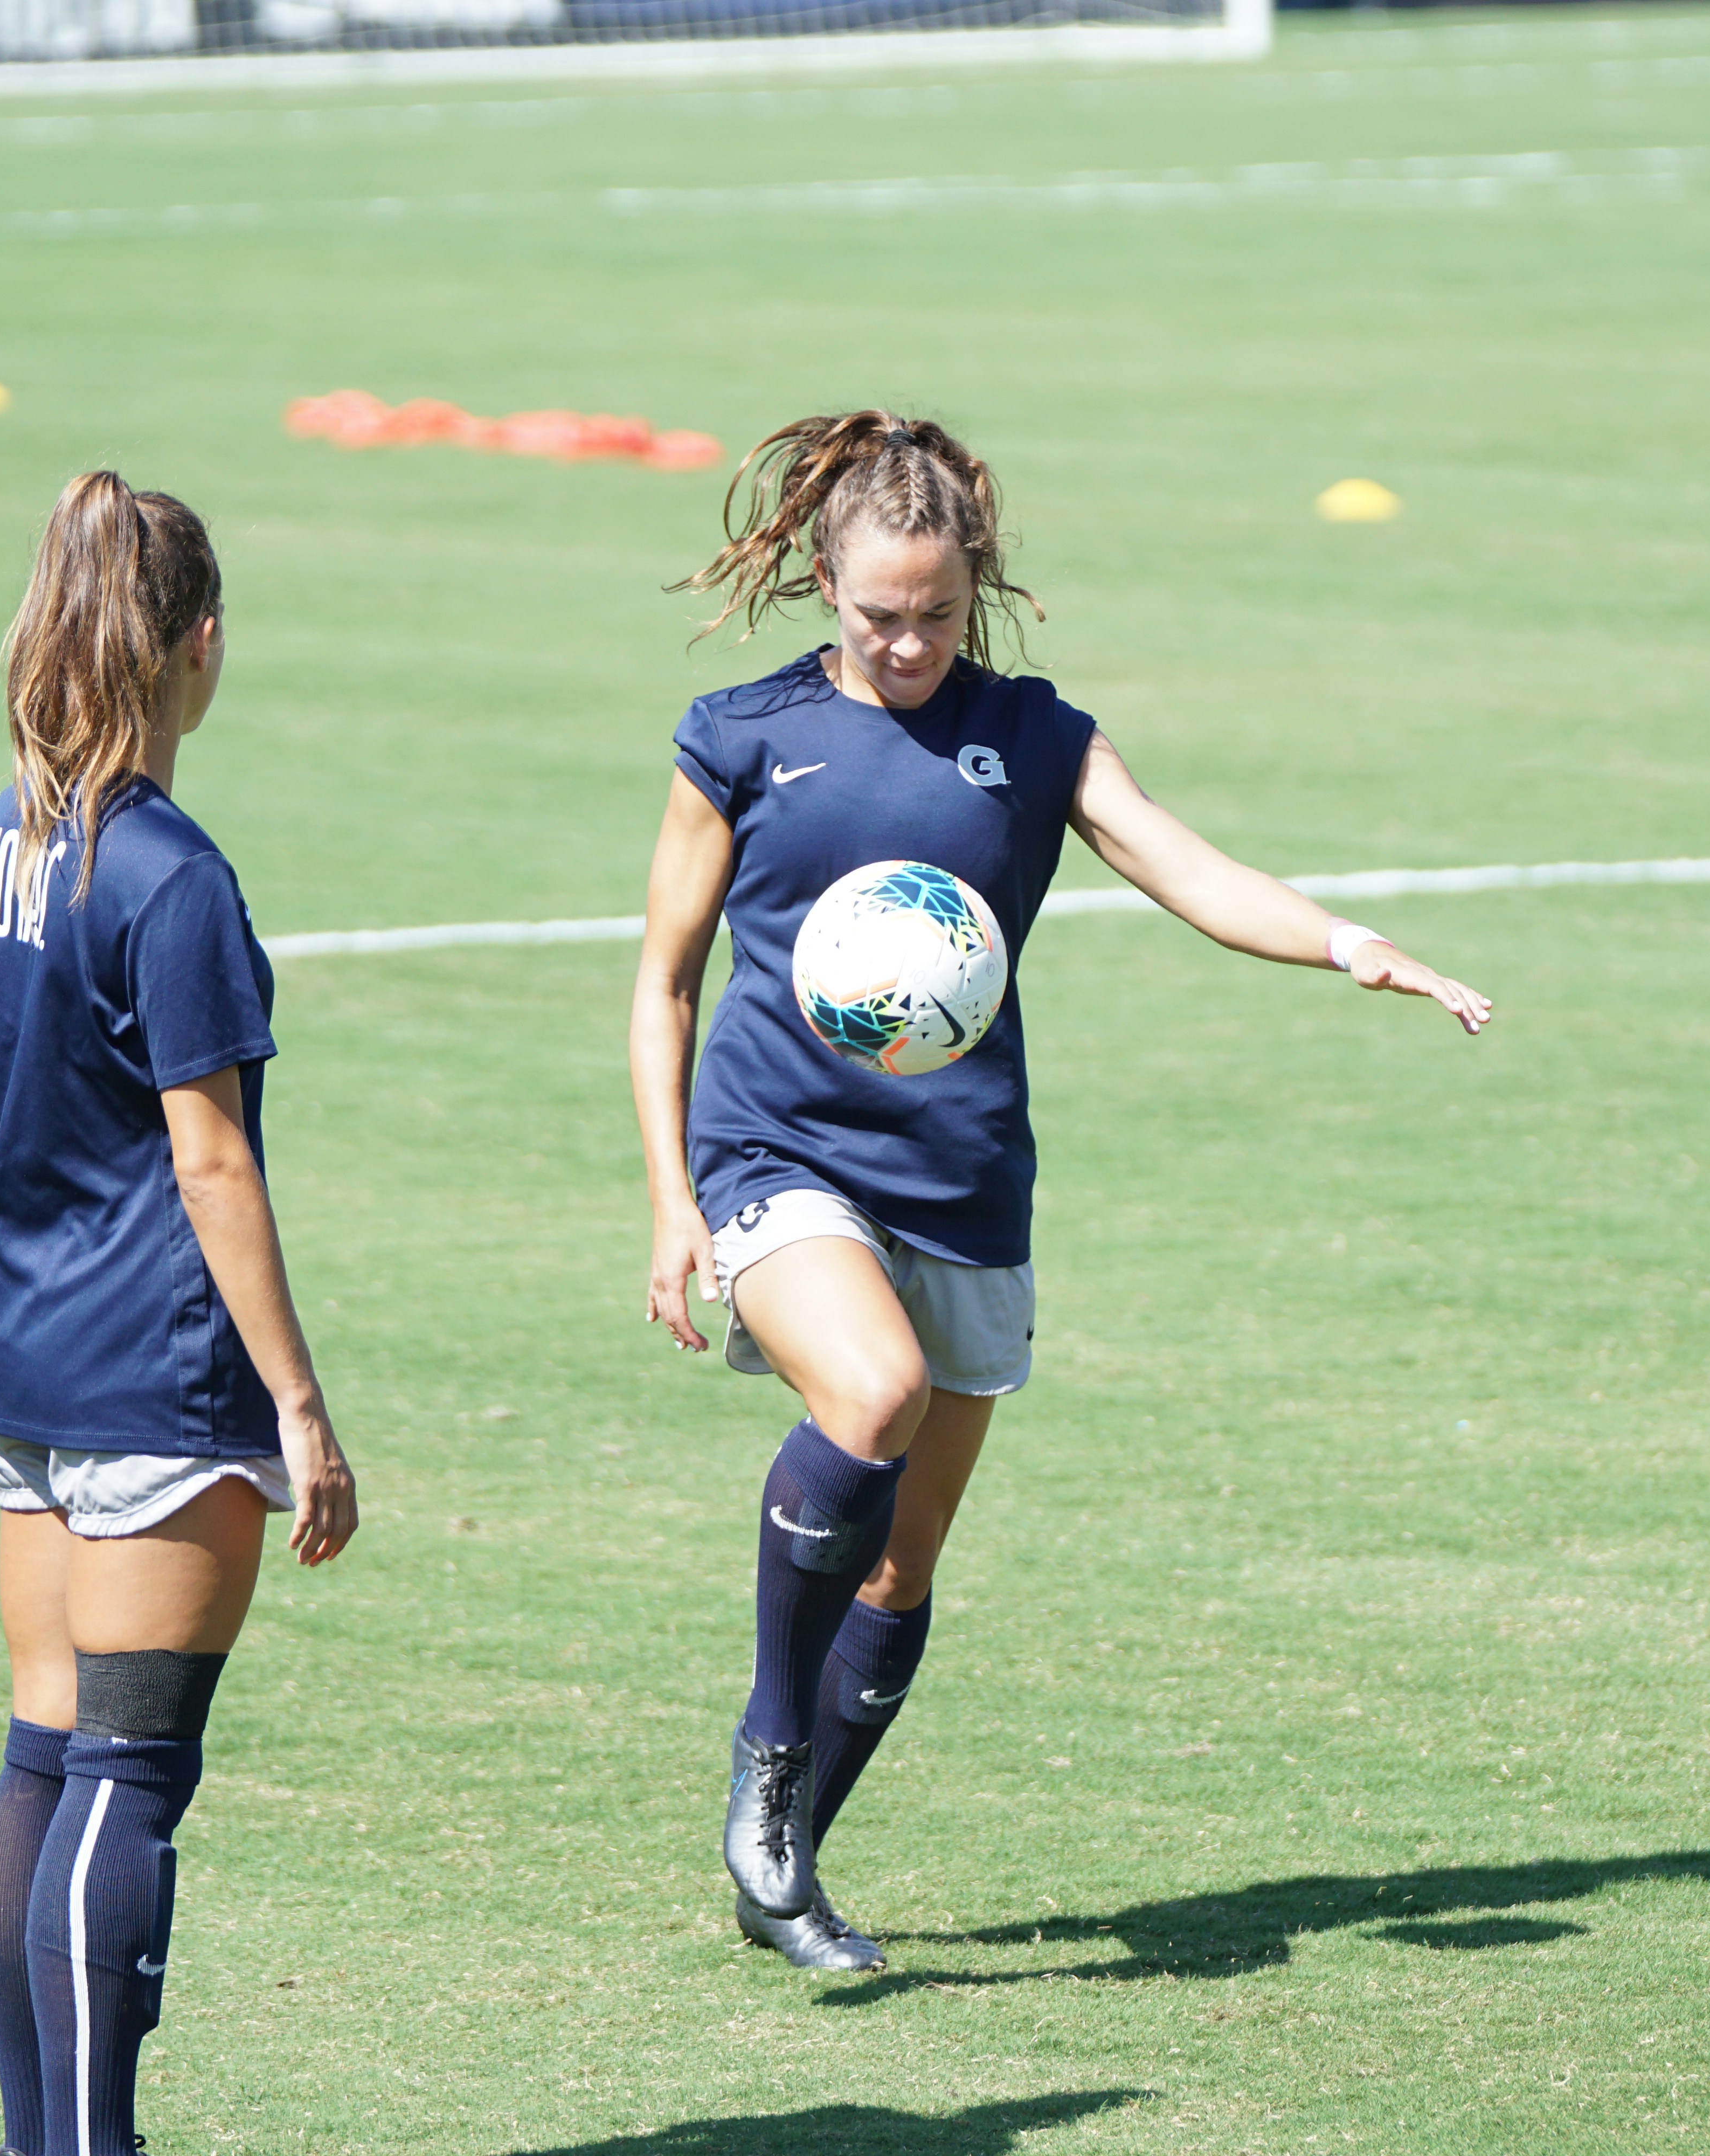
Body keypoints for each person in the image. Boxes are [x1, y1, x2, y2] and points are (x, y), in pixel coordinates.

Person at [626, 411, 1491, 1972]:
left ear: (980, 589)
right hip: (776, 1152)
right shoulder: (740, 735)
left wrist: (1348, 942)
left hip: (962, 1177)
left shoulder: (1034, 737)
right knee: (873, 1393)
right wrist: (671, 1195)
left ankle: (787, 1867)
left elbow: (1184, 864)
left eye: (936, 616)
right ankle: (769, 1754)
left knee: (902, 1565)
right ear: (823, 578)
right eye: (878, 614)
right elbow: (664, 981)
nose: (906, 644)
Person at [0, 472, 357, 2156]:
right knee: (128, 1776)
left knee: (44, 1759)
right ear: (200, 645)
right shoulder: (173, 876)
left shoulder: (7, 843)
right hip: (156, 1375)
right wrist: (300, 1407)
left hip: (27, 1362)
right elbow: (210, 1162)